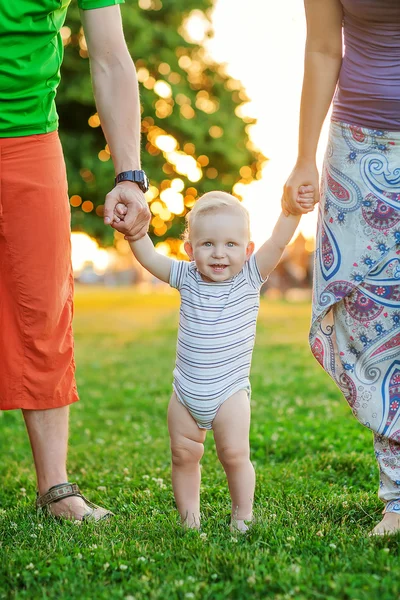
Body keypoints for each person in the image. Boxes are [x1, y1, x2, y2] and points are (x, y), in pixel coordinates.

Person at [0, 1, 150, 520]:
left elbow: (109, 55)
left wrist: (130, 174)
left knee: (44, 305)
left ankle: (55, 489)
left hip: (29, 140)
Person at [116, 191, 314, 530]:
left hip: (229, 394)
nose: (219, 253)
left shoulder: (250, 277)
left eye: (231, 245)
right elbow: (149, 257)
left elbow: (279, 241)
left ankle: (242, 516)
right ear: (190, 250)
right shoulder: (186, 276)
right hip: (185, 393)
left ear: (247, 250)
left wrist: (291, 211)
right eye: (207, 244)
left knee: (234, 456)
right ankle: (189, 519)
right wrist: (135, 233)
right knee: (183, 455)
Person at [283, 0, 400, 535]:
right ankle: (398, 497)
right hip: (359, 147)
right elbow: (324, 45)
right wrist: (305, 156)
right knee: (376, 321)